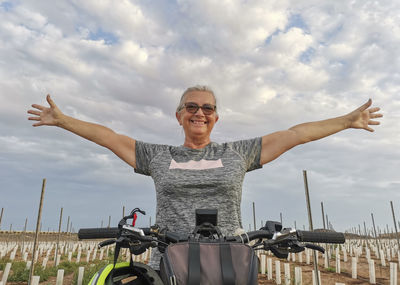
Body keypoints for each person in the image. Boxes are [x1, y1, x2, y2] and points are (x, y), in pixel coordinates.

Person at [27, 85, 382, 268]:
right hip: (168, 260)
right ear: (179, 115)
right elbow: (109, 137)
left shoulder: (237, 153)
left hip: (229, 261)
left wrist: (346, 121)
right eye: (191, 107)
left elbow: (294, 133)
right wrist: (63, 120)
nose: (200, 112)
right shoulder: (158, 155)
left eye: (207, 107)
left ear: (216, 117)